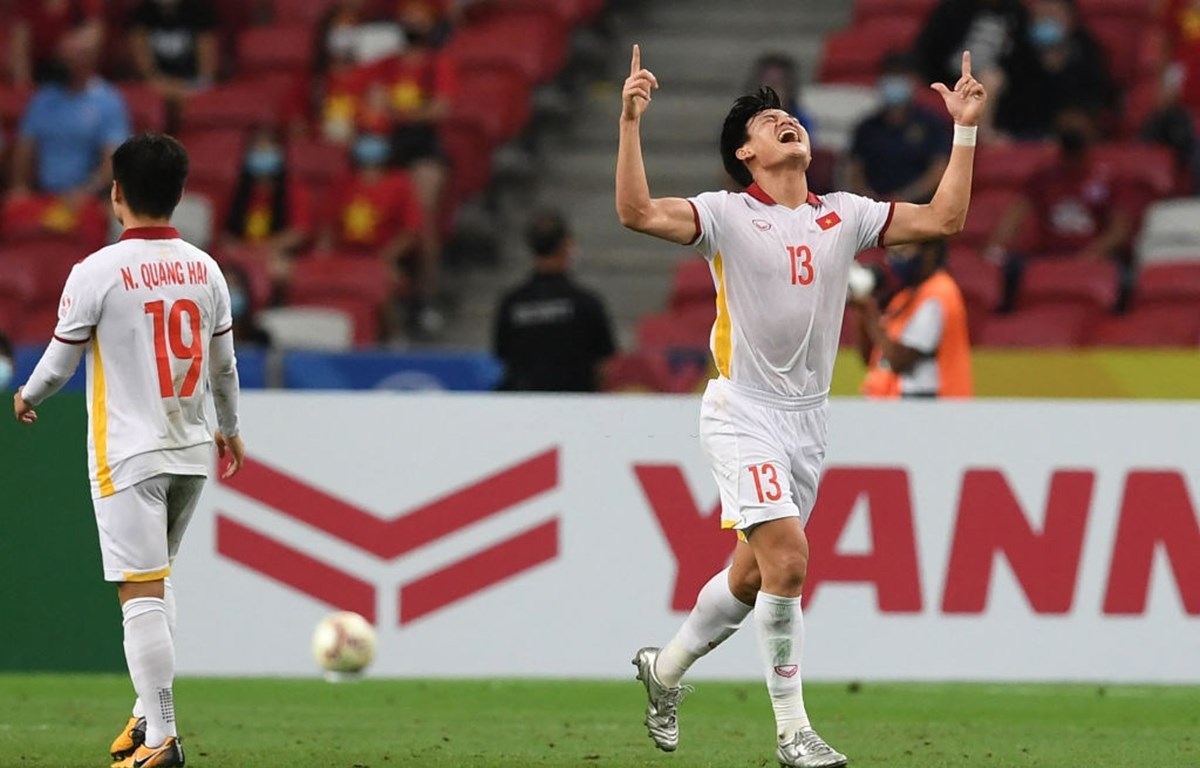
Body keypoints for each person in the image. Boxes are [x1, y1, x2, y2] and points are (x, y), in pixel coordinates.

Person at [616, 44, 985, 767]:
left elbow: (945, 220)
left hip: (808, 422)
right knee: (789, 562)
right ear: (746, 157)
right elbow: (634, 211)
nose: (783, 120)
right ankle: (794, 733)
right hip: (742, 410)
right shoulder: (723, 215)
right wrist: (630, 123)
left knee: (753, 578)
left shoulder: (844, 215)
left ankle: (662, 672)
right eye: (766, 121)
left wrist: (965, 129)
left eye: (788, 115)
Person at [12, 133, 244, 768]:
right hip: (193, 447)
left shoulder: (97, 271)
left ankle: (164, 737)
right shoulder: (207, 269)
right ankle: (146, 717)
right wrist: (231, 426)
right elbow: (224, 365)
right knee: (159, 583)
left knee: (139, 592)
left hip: (130, 454)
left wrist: (26, 395)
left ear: (116, 193)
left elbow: (58, 365)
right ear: (179, 195)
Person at [984, 109, 1137, 310]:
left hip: (1094, 255)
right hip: (1049, 254)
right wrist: (996, 248)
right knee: (1008, 271)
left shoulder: (1110, 177)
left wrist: (1088, 256)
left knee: (1125, 279)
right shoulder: (1044, 177)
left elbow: (1119, 230)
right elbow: (1015, 215)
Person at [5, 31, 130, 247]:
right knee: (14, 213)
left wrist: (86, 190)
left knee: (84, 225)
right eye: (62, 57)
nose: (63, 63)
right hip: (42, 196)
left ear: (87, 61)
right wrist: (20, 186)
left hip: (86, 197)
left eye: (69, 58)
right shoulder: (43, 99)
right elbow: (25, 147)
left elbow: (111, 160)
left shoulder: (108, 101)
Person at [493, 210, 616, 392]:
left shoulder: (512, 303)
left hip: (525, 405)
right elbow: (605, 363)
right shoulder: (585, 303)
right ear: (566, 245)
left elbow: (502, 355)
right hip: (575, 405)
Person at [854, 239, 973, 399]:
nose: (895, 260)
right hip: (892, 405)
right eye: (892, 254)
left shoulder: (940, 293)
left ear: (929, 252)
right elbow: (871, 357)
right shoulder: (904, 298)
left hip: (931, 408)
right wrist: (861, 312)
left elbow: (899, 360)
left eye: (902, 252)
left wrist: (871, 314)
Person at [991, 0, 1115, 140]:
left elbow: (1096, 93)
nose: (1047, 21)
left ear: (1070, 19)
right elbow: (1011, 97)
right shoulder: (1017, 50)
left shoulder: (1086, 48)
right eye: (1041, 16)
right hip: (1020, 127)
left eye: (1053, 15)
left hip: (1067, 129)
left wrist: (1060, 71)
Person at [847, 52, 951, 203]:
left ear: (914, 81)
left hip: (919, 208)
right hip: (874, 209)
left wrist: (904, 198)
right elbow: (855, 168)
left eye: (900, 76)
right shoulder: (867, 126)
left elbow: (938, 170)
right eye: (890, 75)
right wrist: (867, 198)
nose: (894, 82)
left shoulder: (932, 125)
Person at [222, 127, 315, 290]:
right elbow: (223, 233)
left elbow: (299, 232)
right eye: (258, 150)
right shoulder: (235, 191)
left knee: (280, 269)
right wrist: (242, 251)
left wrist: (261, 250)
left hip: (276, 255)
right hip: (239, 254)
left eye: (268, 151)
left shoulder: (294, 190)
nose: (262, 155)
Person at [912, 0, 1028, 88]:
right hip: (949, 74)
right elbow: (929, 44)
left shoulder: (1016, 13)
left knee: (992, 80)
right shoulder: (955, 7)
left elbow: (1019, 56)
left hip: (989, 77)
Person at [127, 0, 221, 105]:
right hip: (155, 84)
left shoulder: (200, 12)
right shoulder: (141, 14)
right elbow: (145, 69)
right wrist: (164, 85)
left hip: (193, 82)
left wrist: (188, 88)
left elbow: (206, 68)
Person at [6, 0, 105, 86]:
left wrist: (74, 43)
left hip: (74, 68)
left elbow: (95, 29)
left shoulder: (83, 3)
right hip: (40, 70)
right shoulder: (27, 4)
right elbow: (20, 50)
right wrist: (24, 88)